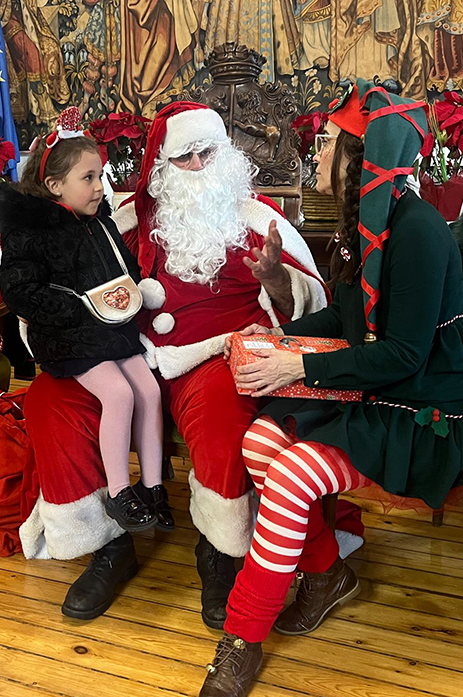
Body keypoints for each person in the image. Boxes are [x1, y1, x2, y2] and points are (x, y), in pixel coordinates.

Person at [196, 80, 463, 697]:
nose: (317, 151)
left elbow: (403, 354)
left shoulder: (418, 232)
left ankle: (242, 637)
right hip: (380, 387)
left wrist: (298, 366)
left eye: (328, 142)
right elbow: (349, 319)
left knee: (289, 472)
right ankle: (327, 574)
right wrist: (280, 337)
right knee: (258, 441)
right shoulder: (360, 226)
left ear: (360, 158)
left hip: (427, 406)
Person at [18, 102, 332, 626]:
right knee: (50, 400)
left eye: (208, 151)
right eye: (185, 156)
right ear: (162, 165)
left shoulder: (256, 220)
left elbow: (313, 305)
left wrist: (277, 279)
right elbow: (57, 280)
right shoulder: (123, 221)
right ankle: (107, 546)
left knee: (223, 412)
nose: (200, 164)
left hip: (212, 354)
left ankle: (220, 550)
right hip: (124, 353)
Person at [0, 107, 173, 554]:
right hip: (68, 334)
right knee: (120, 394)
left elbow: (124, 269)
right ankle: (119, 492)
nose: (99, 187)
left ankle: (153, 487)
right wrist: (77, 307)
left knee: (148, 390)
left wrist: (129, 291)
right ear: (55, 185)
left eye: (99, 176)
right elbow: (20, 291)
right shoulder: (29, 231)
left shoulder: (99, 223)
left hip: (110, 326)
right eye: (88, 178)